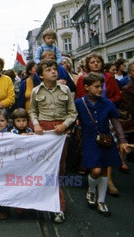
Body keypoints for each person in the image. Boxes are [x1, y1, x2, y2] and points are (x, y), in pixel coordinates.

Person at [28, 59, 77, 224]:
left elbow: (72, 113)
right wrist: (35, 124)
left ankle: (58, 206)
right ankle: (42, 202)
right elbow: (32, 111)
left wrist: (65, 124)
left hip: (60, 131)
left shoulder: (65, 89)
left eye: (55, 69)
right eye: (48, 70)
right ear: (41, 75)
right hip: (43, 131)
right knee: (42, 168)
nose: (53, 72)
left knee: (59, 168)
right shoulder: (36, 91)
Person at [75, 73, 129, 217]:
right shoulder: (80, 103)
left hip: (106, 141)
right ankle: (91, 191)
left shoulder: (107, 103)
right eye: (96, 86)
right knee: (96, 171)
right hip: (89, 140)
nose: (100, 89)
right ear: (86, 87)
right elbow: (73, 118)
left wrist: (122, 140)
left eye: (102, 86)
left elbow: (116, 122)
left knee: (104, 171)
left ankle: (101, 200)